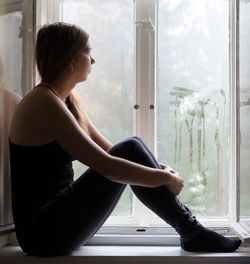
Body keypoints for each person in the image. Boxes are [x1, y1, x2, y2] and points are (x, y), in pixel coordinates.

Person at [8, 22, 241, 257]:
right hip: (42, 233)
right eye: (88, 52)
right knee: (130, 147)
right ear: (69, 59)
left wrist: (160, 170)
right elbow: (107, 166)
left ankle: (191, 231)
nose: (93, 60)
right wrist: (163, 178)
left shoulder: (64, 101)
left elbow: (111, 151)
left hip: (58, 224)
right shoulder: (44, 103)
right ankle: (192, 232)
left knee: (133, 144)